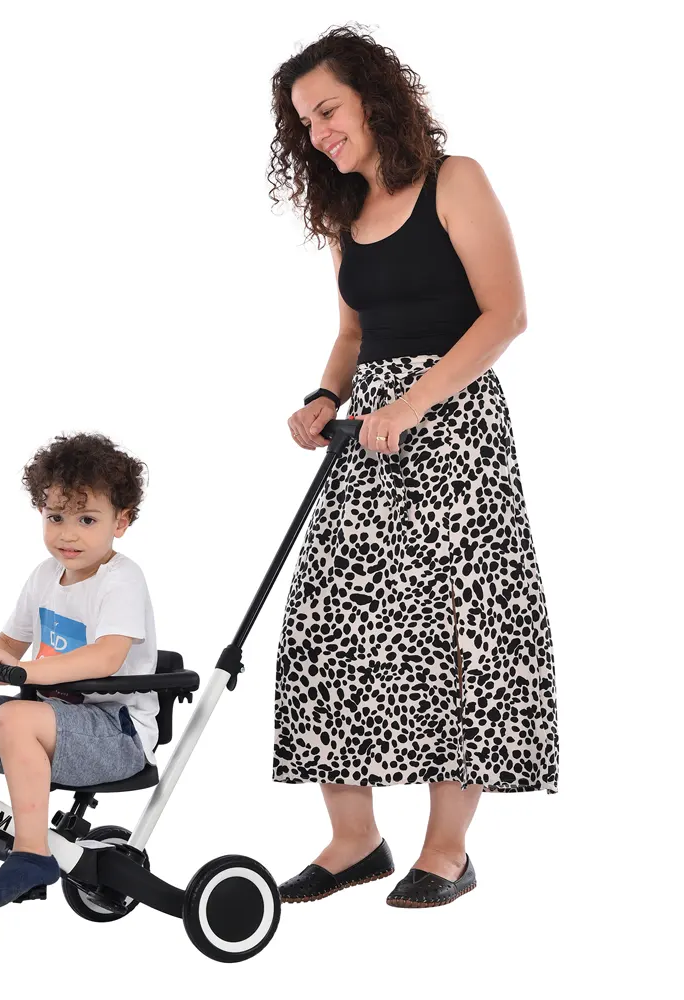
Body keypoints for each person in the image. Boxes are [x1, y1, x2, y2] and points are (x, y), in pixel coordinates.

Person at [266, 24, 558, 908]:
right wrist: (324, 397)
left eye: (328, 109)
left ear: (373, 97)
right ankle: (355, 840)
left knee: (458, 629)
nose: (318, 132)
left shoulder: (454, 181)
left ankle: (447, 850)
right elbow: (353, 332)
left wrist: (412, 403)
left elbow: (505, 314)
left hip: (455, 428)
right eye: (304, 123)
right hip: (370, 434)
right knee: (324, 617)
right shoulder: (343, 213)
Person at [0, 432, 159, 912]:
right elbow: (8, 645)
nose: (68, 534)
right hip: (51, 722)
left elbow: (105, 658)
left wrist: (25, 670)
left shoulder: (122, 580)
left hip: (116, 734)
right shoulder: (43, 576)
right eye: (56, 517)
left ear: (121, 522)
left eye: (86, 519)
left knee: (14, 717)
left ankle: (33, 852)